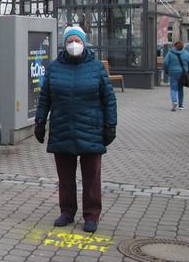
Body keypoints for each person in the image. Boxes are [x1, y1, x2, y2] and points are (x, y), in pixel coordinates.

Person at [35, 26, 117, 233]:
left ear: (83, 43)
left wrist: (110, 125)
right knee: (65, 177)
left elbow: (109, 99)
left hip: (91, 129)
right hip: (63, 128)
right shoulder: (54, 67)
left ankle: (91, 215)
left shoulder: (96, 67)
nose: (74, 44)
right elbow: (45, 97)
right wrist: (39, 121)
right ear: (65, 44)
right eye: (70, 40)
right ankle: (67, 211)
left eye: (77, 41)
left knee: (91, 177)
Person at [163, 41, 189, 111]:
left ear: (175, 46)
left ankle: (174, 101)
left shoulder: (170, 53)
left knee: (173, 88)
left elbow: (165, 62)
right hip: (183, 73)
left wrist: (166, 70)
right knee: (180, 89)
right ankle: (181, 105)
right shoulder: (186, 54)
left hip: (173, 73)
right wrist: (188, 71)